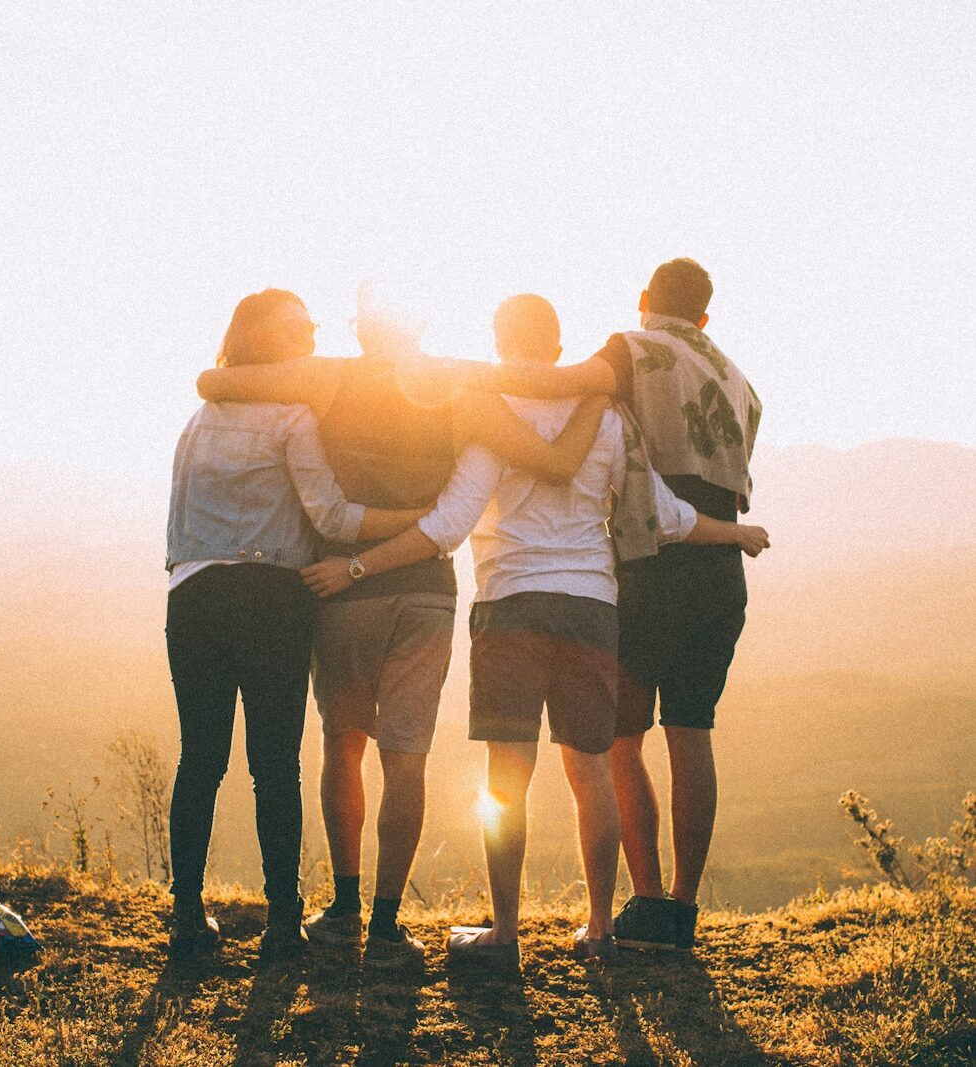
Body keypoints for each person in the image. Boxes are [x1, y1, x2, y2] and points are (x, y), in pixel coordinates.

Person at [301, 294, 769, 970]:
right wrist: (735, 533)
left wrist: (357, 565)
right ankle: (601, 928)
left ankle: (504, 933)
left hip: (509, 605)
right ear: (557, 347)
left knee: (506, 778)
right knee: (590, 772)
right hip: (590, 608)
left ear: (498, 340)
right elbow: (663, 514)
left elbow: (449, 524)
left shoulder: (491, 413)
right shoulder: (607, 417)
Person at [197, 284, 608, 969]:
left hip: (341, 588)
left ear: (362, 329)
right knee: (406, 755)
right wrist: (597, 385)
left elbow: (218, 380)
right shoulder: (456, 381)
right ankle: (387, 926)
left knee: (343, 742)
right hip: (425, 590)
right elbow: (533, 433)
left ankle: (344, 907)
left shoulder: (327, 376)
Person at [459, 260, 763, 951]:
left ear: (645, 301)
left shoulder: (631, 349)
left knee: (615, 742)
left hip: (648, 563)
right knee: (692, 732)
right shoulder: (739, 380)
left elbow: (560, 384)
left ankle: (645, 902)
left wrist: (458, 377)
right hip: (717, 566)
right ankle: (679, 911)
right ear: (705, 317)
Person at [165, 289, 433, 960]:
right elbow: (334, 519)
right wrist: (418, 521)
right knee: (274, 765)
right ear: (269, 341)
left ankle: (187, 916)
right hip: (272, 600)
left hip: (193, 595)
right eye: (299, 329)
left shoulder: (199, 420)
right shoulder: (292, 418)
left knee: (199, 760)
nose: (311, 337)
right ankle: (283, 923)